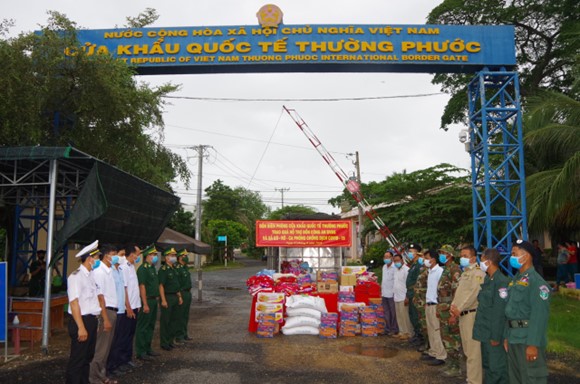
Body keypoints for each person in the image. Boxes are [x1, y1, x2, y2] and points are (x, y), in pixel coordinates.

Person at [504, 239, 550, 384]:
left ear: (526, 256)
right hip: (513, 338)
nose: (511, 257)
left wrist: (533, 344)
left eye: (514, 253)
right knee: (515, 378)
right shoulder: (515, 280)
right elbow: (510, 311)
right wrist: (507, 335)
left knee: (531, 378)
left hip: (527, 339)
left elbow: (539, 316)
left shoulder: (537, 283)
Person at [65, 240, 104, 384]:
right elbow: (74, 303)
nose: (98, 260)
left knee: (88, 357)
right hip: (80, 321)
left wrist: (96, 321)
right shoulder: (76, 276)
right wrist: (81, 327)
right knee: (78, 359)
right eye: (97, 257)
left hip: (91, 320)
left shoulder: (91, 275)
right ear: (89, 259)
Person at [450, 245, 486, 384]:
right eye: (461, 255)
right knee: (467, 349)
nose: (462, 258)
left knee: (473, 351)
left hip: (470, 314)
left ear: (473, 258)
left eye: (465, 256)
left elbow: (474, 294)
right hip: (462, 314)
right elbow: (460, 294)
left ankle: (475, 381)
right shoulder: (465, 272)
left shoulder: (477, 273)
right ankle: (470, 378)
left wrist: (460, 308)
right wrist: (454, 308)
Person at [473, 248, 509, 384]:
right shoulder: (488, 279)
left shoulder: (501, 282)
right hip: (485, 332)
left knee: (497, 369)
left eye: (481, 260)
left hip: (494, 335)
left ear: (489, 262)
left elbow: (500, 312)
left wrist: (496, 336)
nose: (480, 263)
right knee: (488, 366)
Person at [108, 243, 145, 375]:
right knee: (122, 336)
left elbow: (134, 288)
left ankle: (126, 359)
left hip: (135, 306)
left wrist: (138, 305)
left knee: (130, 334)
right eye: (138, 254)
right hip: (126, 308)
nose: (139, 256)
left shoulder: (131, 267)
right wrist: (128, 307)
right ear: (132, 254)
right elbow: (124, 290)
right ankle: (118, 362)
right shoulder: (123, 268)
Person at [89, 244, 119, 384]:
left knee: (106, 348)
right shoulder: (99, 272)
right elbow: (99, 297)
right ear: (106, 256)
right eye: (114, 254)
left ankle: (102, 376)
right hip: (105, 311)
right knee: (101, 348)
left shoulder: (109, 270)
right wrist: (105, 318)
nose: (116, 257)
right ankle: (94, 378)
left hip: (112, 310)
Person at [437, 244, 462, 376]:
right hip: (443, 308)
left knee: (453, 339)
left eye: (443, 253)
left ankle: (456, 367)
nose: (441, 255)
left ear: (450, 255)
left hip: (450, 309)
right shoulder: (446, 269)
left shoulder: (455, 270)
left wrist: (453, 313)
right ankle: (450, 363)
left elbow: (457, 293)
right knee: (445, 337)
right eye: (440, 252)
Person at [421, 250, 446, 366]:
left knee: (436, 330)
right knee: (431, 329)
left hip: (436, 304)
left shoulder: (439, 271)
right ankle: (433, 351)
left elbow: (441, 290)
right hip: (429, 303)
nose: (425, 260)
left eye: (427, 258)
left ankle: (441, 355)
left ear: (433, 259)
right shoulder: (430, 271)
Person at [135, 245, 160, 360]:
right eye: (153, 255)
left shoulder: (152, 268)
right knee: (143, 327)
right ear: (147, 256)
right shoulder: (143, 269)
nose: (155, 257)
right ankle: (141, 351)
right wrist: (144, 303)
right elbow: (142, 286)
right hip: (147, 300)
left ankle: (148, 348)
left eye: (155, 255)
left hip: (154, 300)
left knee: (150, 326)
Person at [158, 248, 183, 350]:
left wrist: (179, 296)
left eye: (175, 255)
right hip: (167, 296)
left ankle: (170, 340)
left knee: (174, 320)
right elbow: (161, 286)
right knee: (165, 321)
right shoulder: (163, 270)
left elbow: (176, 285)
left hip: (175, 296)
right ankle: (164, 342)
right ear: (166, 257)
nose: (174, 257)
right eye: (172, 256)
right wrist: (163, 300)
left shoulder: (174, 269)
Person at [405, 243, 424, 346]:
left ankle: (420, 336)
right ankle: (417, 334)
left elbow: (418, 281)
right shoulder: (413, 265)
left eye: (412, 251)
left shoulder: (419, 265)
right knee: (412, 315)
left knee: (416, 316)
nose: (409, 253)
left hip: (415, 293)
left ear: (418, 253)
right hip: (410, 292)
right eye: (409, 251)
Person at [412, 249, 429, 352]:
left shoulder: (432, 270)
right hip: (419, 300)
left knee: (427, 326)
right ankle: (425, 343)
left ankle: (428, 345)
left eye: (424, 257)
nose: (422, 259)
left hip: (425, 301)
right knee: (421, 324)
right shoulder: (422, 269)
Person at [175, 249, 193, 342]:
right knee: (180, 315)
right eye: (184, 256)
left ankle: (184, 334)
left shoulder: (185, 267)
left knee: (185, 315)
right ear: (180, 257)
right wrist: (179, 296)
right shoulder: (178, 268)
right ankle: (179, 335)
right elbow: (177, 283)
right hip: (182, 293)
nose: (186, 257)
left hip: (187, 292)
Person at [393, 253, 412, 340]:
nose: (396, 262)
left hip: (403, 296)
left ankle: (407, 332)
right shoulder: (396, 270)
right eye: (395, 261)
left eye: (398, 260)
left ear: (402, 260)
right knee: (399, 316)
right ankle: (401, 331)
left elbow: (409, 285)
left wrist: (407, 296)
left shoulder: (406, 270)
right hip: (396, 296)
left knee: (405, 316)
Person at [381, 250, 398, 336]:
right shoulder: (384, 267)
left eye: (388, 257)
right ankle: (387, 328)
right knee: (386, 312)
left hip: (392, 293)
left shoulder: (395, 267)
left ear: (392, 258)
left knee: (393, 312)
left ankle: (394, 329)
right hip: (384, 293)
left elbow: (396, 280)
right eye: (385, 257)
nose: (386, 259)